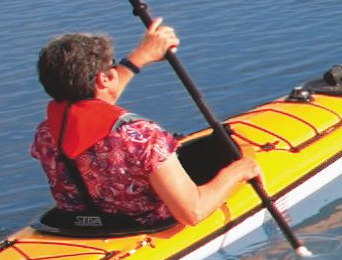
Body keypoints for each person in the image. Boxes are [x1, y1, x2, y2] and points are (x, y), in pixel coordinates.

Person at [30, 25, 268, 229]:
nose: (115, 70)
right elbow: (193, 213)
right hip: (147, 226)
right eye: (111, 66)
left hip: (79, 226)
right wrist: (239, 170)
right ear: (103, 79)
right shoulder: (142, 137)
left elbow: (95, 101)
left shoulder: (47, 132)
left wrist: (141, 56)